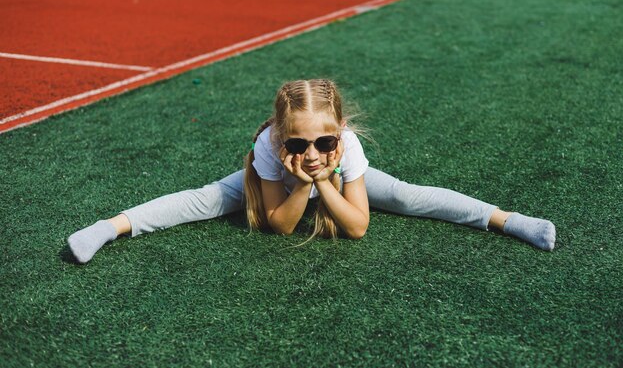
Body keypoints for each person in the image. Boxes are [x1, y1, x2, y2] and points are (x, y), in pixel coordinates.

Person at [68, 79, 556, 263]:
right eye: (298, 142)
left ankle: (508, 220)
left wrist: (326, 175)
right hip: (280, 184)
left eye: (324, 141)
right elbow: (281, 225)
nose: (312, 149)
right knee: (204, 199)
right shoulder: (270, 147)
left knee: (408, 196)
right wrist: (300, 178)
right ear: (282, 138)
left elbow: (358, 227)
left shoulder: (346, 148)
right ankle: (108, 228)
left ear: (340, 133)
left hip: (337, 182)